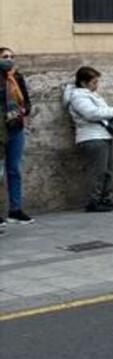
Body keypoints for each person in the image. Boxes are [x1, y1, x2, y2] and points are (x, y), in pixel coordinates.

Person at [62, 66, 113, 212]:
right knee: (99, 171)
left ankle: (105, 198)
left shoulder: (91, 95)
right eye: (94, 82)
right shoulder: (78, 97)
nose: (96, 85)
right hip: (92, 137)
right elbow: (91, 114)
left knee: (111, 169)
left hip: (103, 135)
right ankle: (94, 201)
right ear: (83, 83)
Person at [1, 47, 33, 226]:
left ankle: (15, 209)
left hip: (16, 126)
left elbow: (26, 100)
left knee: (15, 169)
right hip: (1, 128)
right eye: (5, 57)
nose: (10, 60)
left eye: (12, 57)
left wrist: (23, 110)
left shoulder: (17, 77)